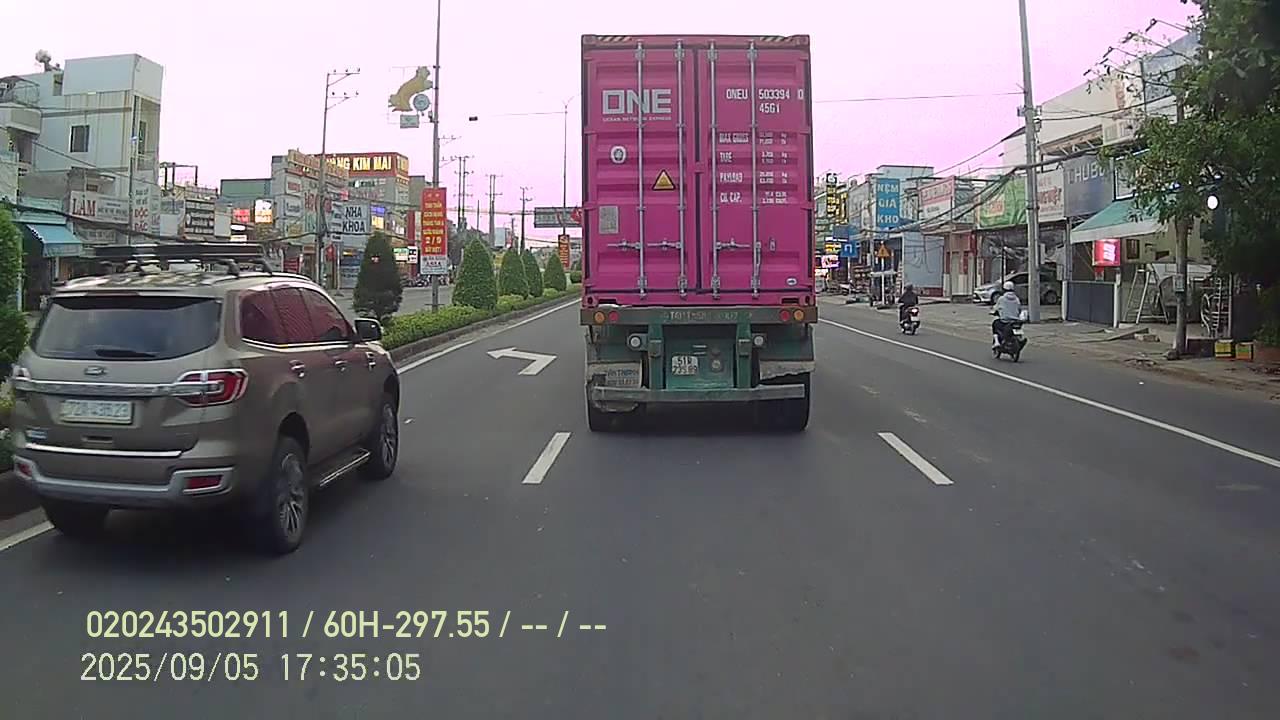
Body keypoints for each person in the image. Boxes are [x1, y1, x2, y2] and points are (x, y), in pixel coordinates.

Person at [991, 280, 1022, 347]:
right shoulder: (1017, 299)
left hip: (1005, 321)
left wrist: (993, 311)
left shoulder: (1001, 299)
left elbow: (996, 308)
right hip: (1015, 321)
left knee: (995, 323)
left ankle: (996, 342)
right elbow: (1019, 309)